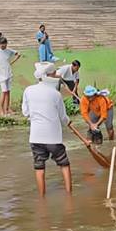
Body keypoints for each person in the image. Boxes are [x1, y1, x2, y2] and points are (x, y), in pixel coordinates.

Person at [22, 64, 74, 196]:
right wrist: (68, 122)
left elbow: (25, 112)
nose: (57, 75)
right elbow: (63, 117)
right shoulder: (55, 94)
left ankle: (42, 196)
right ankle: (69, 194)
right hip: (53, 137)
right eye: (54, 73)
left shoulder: (28, 90)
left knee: (39, 167)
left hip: (35, 137)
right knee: (64, 164)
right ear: (47, 76)